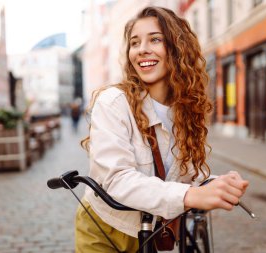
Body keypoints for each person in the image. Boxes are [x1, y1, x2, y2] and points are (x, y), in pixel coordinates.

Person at [75, 6, 249, 252]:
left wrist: (216, 185)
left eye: (155, 39)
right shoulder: (114, 102)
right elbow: (117, 179)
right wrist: (190, 196)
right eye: (135, 43)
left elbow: (182, 177)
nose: (142, 49)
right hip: (105, 229)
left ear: (177, 49)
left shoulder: (187, 111)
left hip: (153, 233)